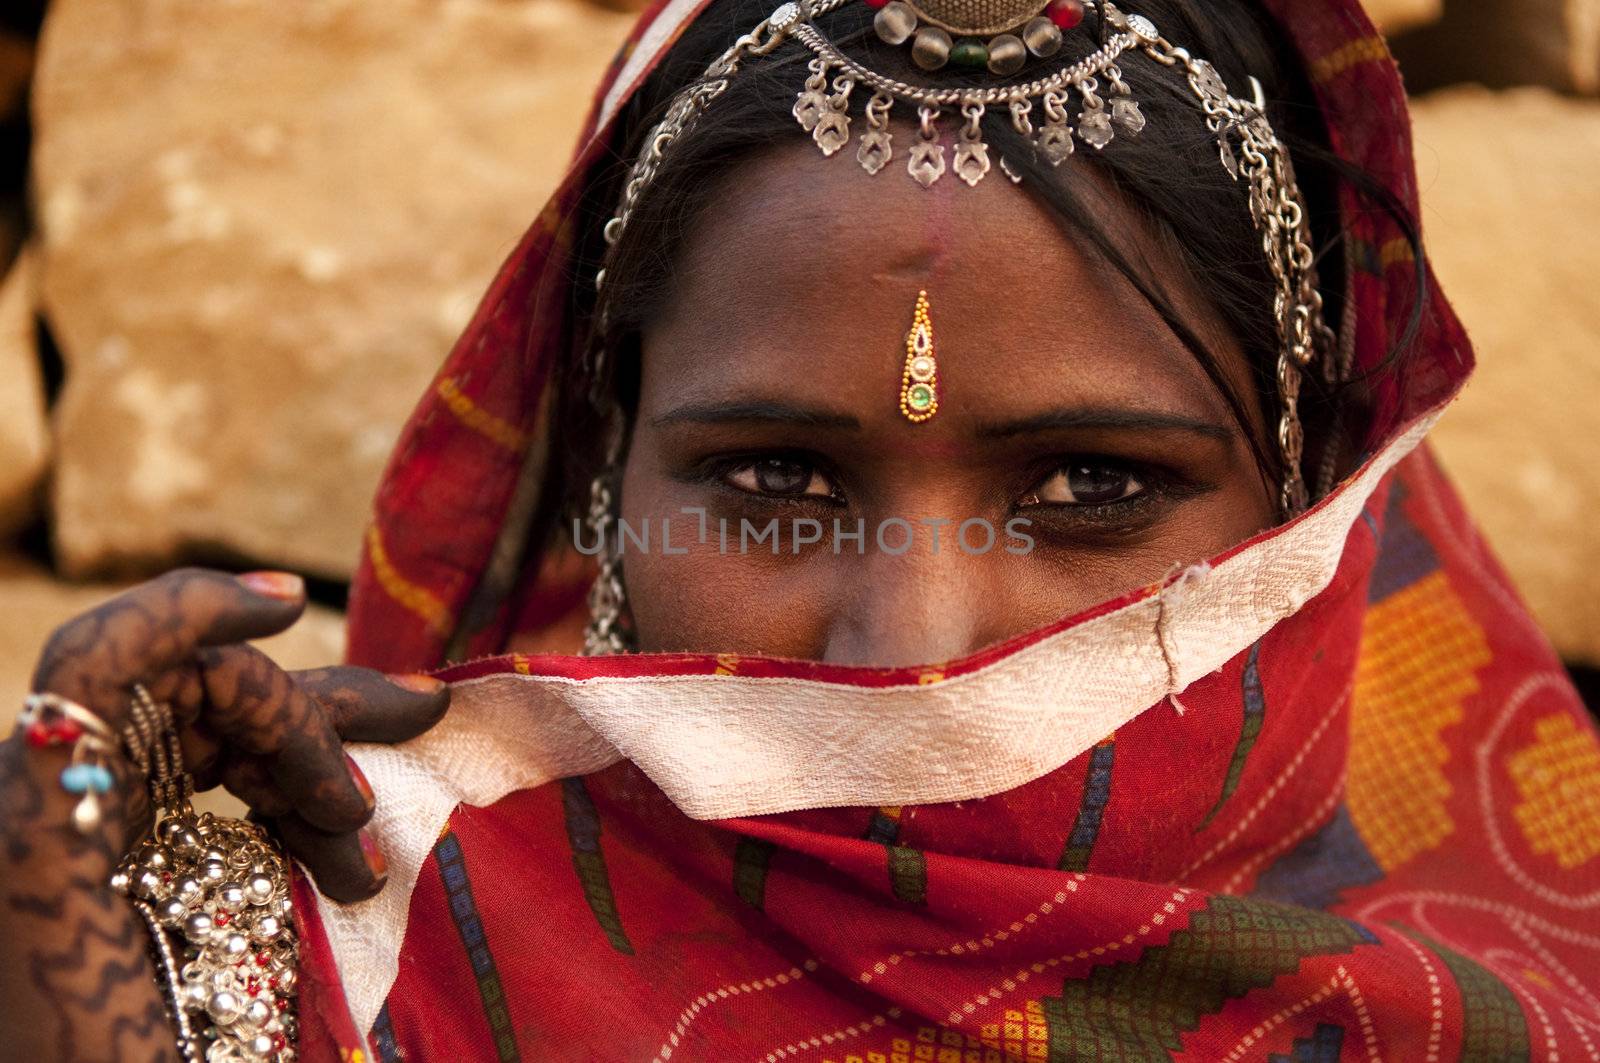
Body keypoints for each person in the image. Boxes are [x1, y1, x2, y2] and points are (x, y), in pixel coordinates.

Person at [3, 0, 1597, 1058]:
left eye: (1091, 489)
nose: (906, 650)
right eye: (774, 484)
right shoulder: (308, 989)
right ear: (600, 479)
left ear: (1307, 520)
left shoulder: (1510, 1010)